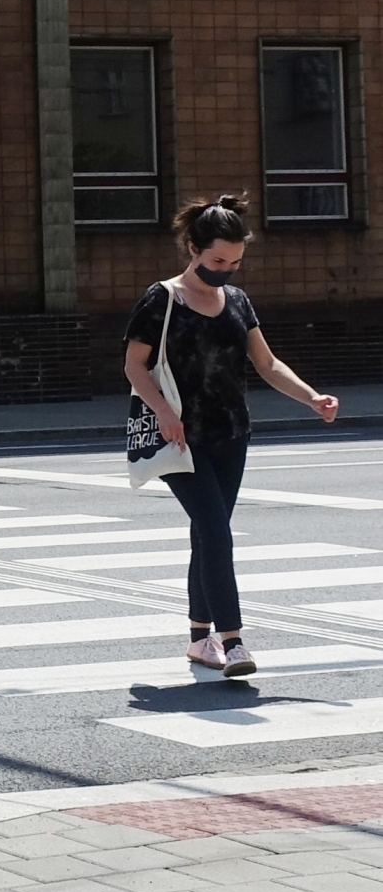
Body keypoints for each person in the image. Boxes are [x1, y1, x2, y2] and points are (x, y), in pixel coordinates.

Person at [125, 194, 339, 678]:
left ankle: (200, 639)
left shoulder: (238, 301)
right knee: (218, 532)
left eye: (236, 262)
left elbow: (266, 364)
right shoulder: (162, 299)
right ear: (193, 248)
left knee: (208, 533)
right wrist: (162, 412)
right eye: (218, 260)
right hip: (181, 437)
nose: (227, 270)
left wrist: (311, 397)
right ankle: (234, 640)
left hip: (231, 433)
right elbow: (134, 366)